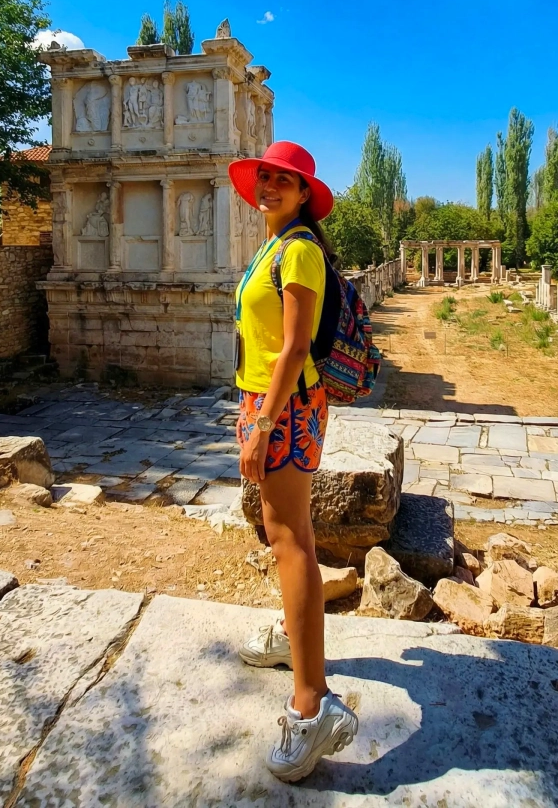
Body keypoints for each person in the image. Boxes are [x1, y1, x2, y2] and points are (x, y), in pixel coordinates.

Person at [228, 140, 359, 783]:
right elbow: (258, 340)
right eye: (264, 177)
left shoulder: (299, 249)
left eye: (283, 180)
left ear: (305, 192)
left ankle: (312, 707)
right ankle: (294, 635)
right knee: (290, 534)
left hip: (286, 407)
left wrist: (262, 425)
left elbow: (295, 347)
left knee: (288, 539)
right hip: (268, 402)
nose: (269, 186)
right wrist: (247, 406)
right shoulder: (274, 246)